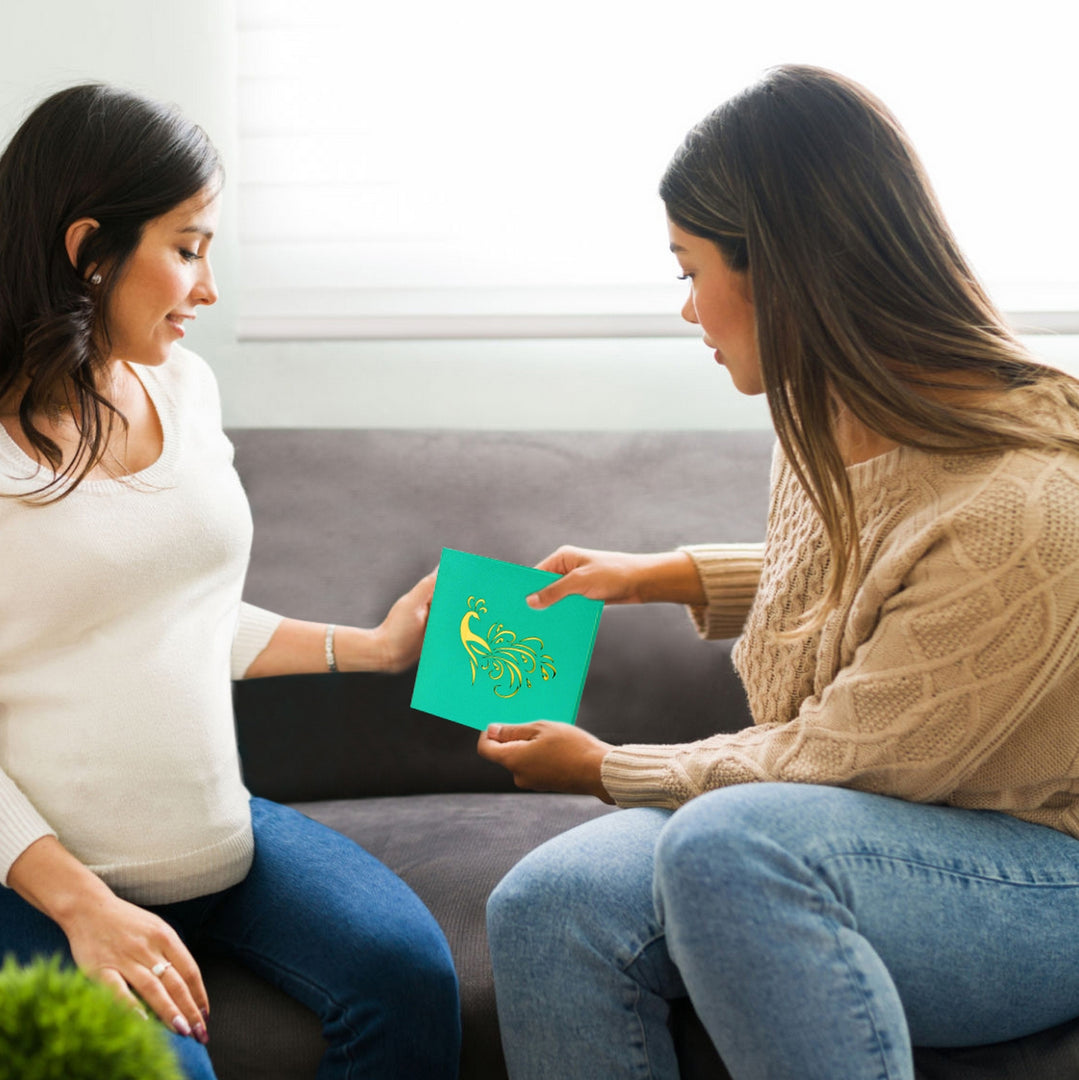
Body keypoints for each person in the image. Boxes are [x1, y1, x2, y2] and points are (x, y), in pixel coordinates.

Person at [478, 64, 1079, 1080]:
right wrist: (665, 575)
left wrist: (608, 768)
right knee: (545, 904)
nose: (686, 313)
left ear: (779, 272)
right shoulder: (828, 411)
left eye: (686, 271)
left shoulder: (1029, 504)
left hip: (1032, 870)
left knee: (731, 844)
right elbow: (894, 586)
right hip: (859, 826)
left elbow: (844, 755)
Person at [0, 84, 459, 1080]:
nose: (206, 289)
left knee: (411, 976)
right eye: (187, 246)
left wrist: (371, 649)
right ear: (88, 250)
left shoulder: (185, 388)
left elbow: (182, 616)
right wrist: (83, 906)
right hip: (40, 882)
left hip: (214, 836)